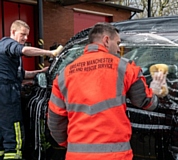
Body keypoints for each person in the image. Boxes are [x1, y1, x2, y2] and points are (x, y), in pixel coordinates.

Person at [48, 22, 166, 160]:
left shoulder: (64, 74)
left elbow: (55, 122)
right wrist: (156, 90)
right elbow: (146, 102)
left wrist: (72, 145)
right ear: (106, 40)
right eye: (118, 43)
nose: (118, 49)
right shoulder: (125, 67)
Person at [0, 20, 58, 160]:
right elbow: (25, 50)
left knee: (4, 128)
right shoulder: (8, 44)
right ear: (13, 32)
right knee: (14, 127)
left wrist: (40, 71)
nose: (25, 39)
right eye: (23, 35)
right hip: (7, 92)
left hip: (8, 89)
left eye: (27, 35)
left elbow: (22, 75)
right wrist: (51, 53)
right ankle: (14, 155)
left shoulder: (10, 53)